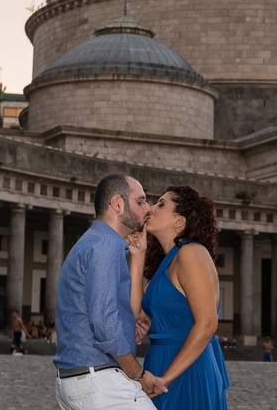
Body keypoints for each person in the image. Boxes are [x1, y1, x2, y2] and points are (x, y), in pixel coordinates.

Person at [54, 174, 166, 410]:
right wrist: (139, 374)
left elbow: (125, 312)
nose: (148, 208)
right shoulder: (105, 246)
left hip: (80, 380)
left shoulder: (98, 241)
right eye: (141, 201)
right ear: (117, 204)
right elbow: (104, 324)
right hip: (99, 381)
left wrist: (138, 257)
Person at [130, 186, 230, 410]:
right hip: (160, 362)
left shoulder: (191, 253)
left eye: (161, 204)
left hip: (186, 369)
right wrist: (138, 257)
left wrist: (167, 378)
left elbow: (207, 324)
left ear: (180, 221)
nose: (151, 208)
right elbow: (138, 315)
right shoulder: (168, 262)